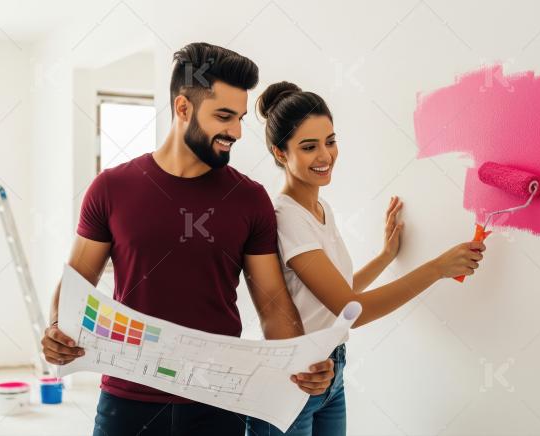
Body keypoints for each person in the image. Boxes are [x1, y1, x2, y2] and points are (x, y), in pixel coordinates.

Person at [40, 43, 336, 436]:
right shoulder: (111, 189)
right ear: (183, 109)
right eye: (224, 117)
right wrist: (57, 328)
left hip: (217, 403)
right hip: (127, 403)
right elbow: (78, 280)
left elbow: (273, 305)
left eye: (240, 118)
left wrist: (301, 358)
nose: (235, 132)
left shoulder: (249, 199)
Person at [245, 82, 487, 435]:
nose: (325, 155)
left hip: (330, 373)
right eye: (309, 147)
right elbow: (350, 309)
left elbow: (332, 296)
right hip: (292, 383)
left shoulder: (319, 208)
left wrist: (385, 256)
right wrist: (437, 268)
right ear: (280, 153)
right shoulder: (286, 217)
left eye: (330, 140)